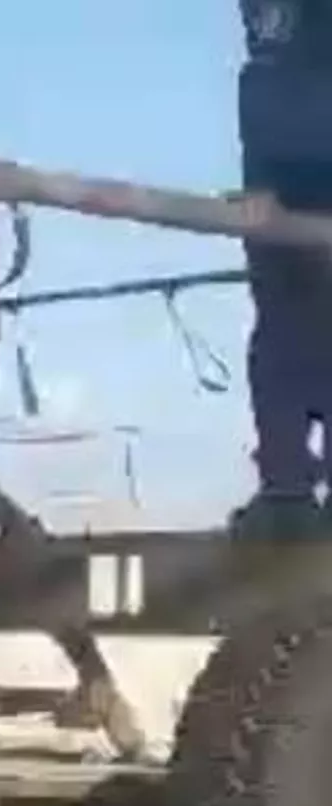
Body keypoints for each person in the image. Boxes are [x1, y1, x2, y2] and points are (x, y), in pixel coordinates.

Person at [233, 0, 332, 537]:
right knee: (277, 338)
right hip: (277, 186)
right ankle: (286, 485)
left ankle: (290, 484)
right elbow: (264, 80)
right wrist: (259, 183)